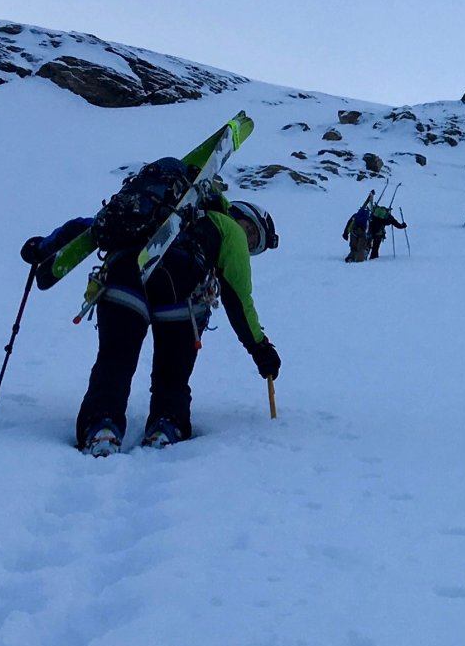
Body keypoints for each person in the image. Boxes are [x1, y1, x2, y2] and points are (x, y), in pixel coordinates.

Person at [25, 184, 280, 453]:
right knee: (173, 372)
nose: (248, 240)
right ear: (237, 213)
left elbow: (94, 226)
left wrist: (44, 247)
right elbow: (239, 299)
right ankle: (167, 425)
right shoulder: (226, 229)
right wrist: (260, 348)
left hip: (123, 275)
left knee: (114, 359)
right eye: (251, 231)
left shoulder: (156, 206)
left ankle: (100, 426)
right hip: (180, 292)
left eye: (253, 244)